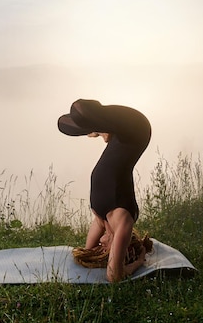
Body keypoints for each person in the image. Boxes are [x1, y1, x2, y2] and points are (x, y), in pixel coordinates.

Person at [58, 99, 152, 282]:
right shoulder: (123, 221)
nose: (100, 243)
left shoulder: (102, 220)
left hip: (119, 136)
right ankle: (98, 127)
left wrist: (95, 254)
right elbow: (114, 276)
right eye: (105, 248)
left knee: (65, 124)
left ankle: (101, 130)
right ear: (124, 249)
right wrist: (139, 261)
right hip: (137, 130)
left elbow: (87, 251)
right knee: (80, 110)